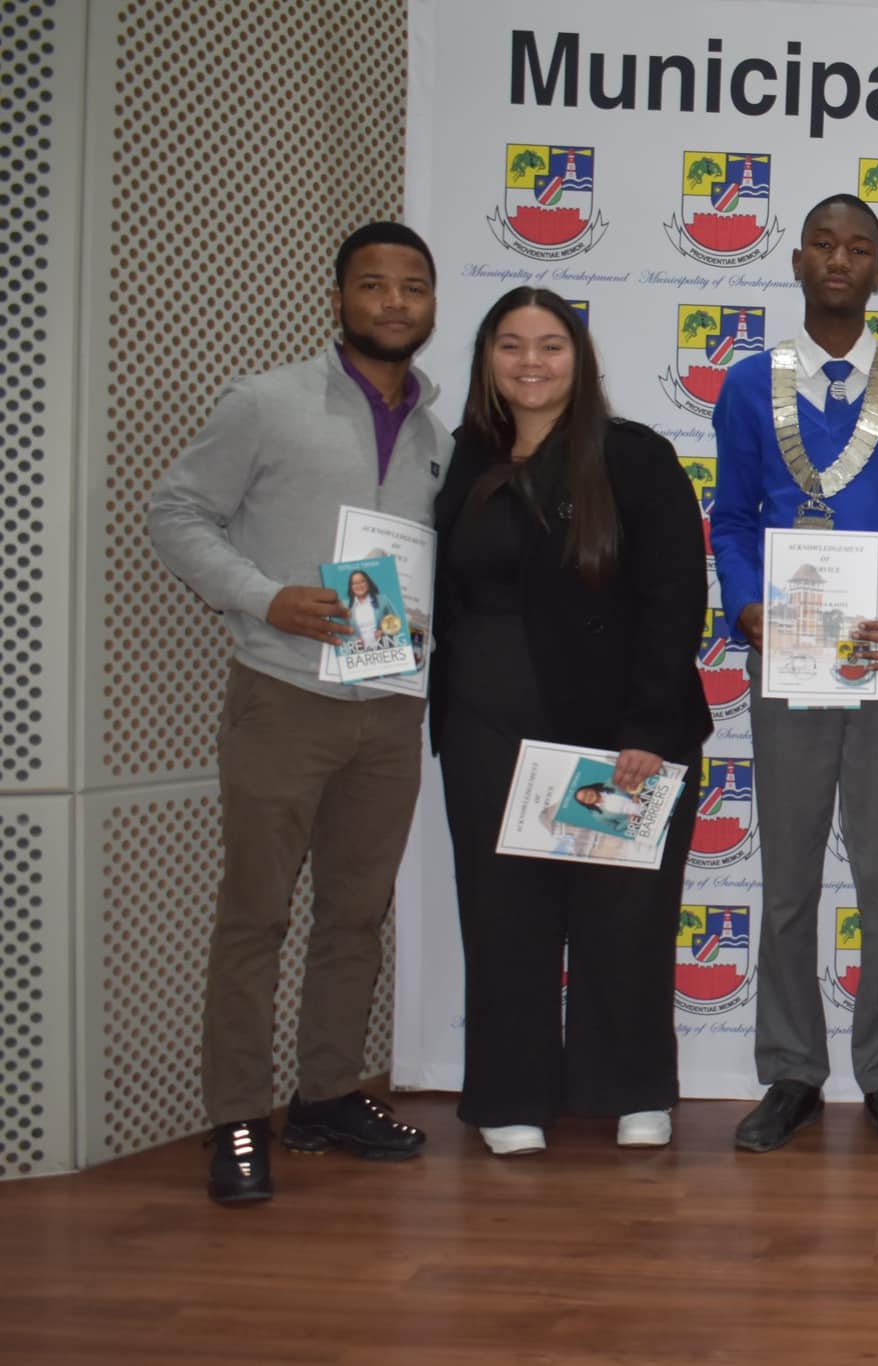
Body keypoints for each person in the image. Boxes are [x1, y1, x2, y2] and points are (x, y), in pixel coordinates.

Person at [148, 222, 449, 1205]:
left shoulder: (439, 436)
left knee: (355, 917)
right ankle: (237, 1116)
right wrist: (263, 595)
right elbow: (175, 512)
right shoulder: (266, 404)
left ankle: (325, 1096)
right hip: (283, 696)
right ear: (338, 299)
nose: (394, 302)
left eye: (412, 286)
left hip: (390, 708)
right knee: (255, 914)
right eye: (374, 284)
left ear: (431, 304)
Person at [430, 287, 711, 1157]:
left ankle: (631, 1086)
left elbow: (674, 599)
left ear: (579, 360)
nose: (531, 362)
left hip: (616, 732)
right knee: (503, 917)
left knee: (624, 919)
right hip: (486, 727)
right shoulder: (460, 459)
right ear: (486, 359)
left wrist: (649, 728)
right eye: (510, 345)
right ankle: (510, 1092)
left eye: (551, 345)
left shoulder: (633, 456)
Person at [710, 194, 878, 1156]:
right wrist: (744, 605)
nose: (840, 260)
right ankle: (791, 1072)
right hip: (790, 655)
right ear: (798, 262)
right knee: (787, 880)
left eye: (859, 248)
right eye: (824, 244)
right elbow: (731, 518)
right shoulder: (748, 384)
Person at [344, 570, 389, 649]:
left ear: (368, 583)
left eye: (362, 581)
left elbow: (396, 622)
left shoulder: (383, 600)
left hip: (384, 648)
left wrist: (383, 631)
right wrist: (354, 640)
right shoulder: (345, 606)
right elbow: (340, 631)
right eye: (355, 583)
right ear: (351, 587)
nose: (359, 585)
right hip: (359, 652)